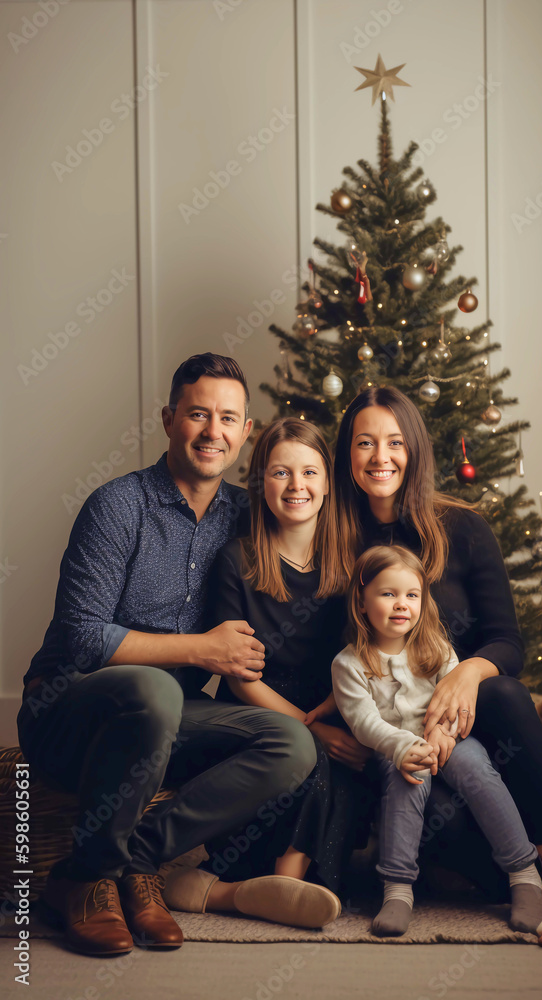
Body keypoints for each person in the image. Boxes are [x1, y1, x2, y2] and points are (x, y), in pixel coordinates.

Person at [16, 353, 334, 957]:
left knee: (290, 744)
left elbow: (318, 521)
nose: (213, 431)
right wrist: (202, 649)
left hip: (171, 722)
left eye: (228, 419)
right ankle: (88, 884)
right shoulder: (118, 507)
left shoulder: (248, 511)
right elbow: (83, 637)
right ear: (168, 420)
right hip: (68, 712)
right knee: (158, 687)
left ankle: (131, 863)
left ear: (246, 431)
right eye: (197, 414)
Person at [333, 385, 542, 948]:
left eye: (395, 442)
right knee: (456, 836)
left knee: (503, 693)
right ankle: (444, 877)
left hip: (468, 720)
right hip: (385, 731)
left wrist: (466, 673)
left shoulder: (462, 529)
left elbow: (508, 641)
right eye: (364, 443)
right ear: (346, 454)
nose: (381, 457)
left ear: (416, 451)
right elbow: (324, 654)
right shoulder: (332, 533)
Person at [163, 418, 374, 914]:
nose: (297, 487)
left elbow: (371, 654)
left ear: (328, 482)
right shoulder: (238, 559)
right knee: (309, 757)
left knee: (345, 773)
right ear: (262, 482)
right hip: (258, 710)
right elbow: (239, 676)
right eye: (281, 473)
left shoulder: (355, 561)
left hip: (337, 706)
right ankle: (284, 881)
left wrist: (335, 722)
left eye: (309, 473)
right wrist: (311, 729)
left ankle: (224, 889)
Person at [330, 544, 542, 938]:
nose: (401, 605)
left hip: (447, 737)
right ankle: (397, 890)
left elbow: (456, 700)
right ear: (362, 602)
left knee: (477, 769)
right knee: (407, 780)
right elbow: (362, 721)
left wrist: (443, 732)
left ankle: (524, 875)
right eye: (388, 594)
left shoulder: (435, 648)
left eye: (411, 595)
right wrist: (402, 747)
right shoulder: (348, 664)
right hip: (395, 747)